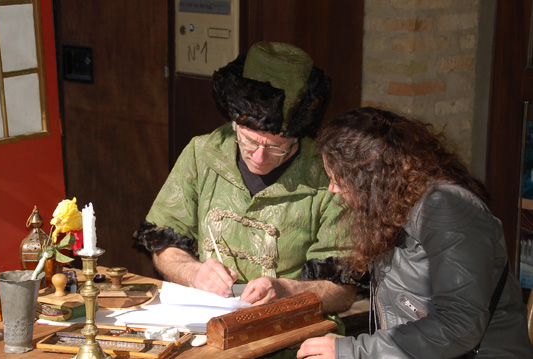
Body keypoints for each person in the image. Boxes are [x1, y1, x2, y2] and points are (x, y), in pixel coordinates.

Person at [134, 41, 358, 314]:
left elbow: (343, 290)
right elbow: (164, 243)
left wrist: (287, 290)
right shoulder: (202, 153)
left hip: (289, 331)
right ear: (235, 124)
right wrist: (193, 272)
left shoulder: (329, 177)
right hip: (208, 320)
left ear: (298, 137)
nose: (260, 157)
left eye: (277, 147)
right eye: (249, 141)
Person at [297, 107, 533, 358]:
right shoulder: (395, 207)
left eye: (338, 179)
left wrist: (354, 351)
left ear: (370, 178)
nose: (333, 189)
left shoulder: (447, 208)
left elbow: (460, 325)